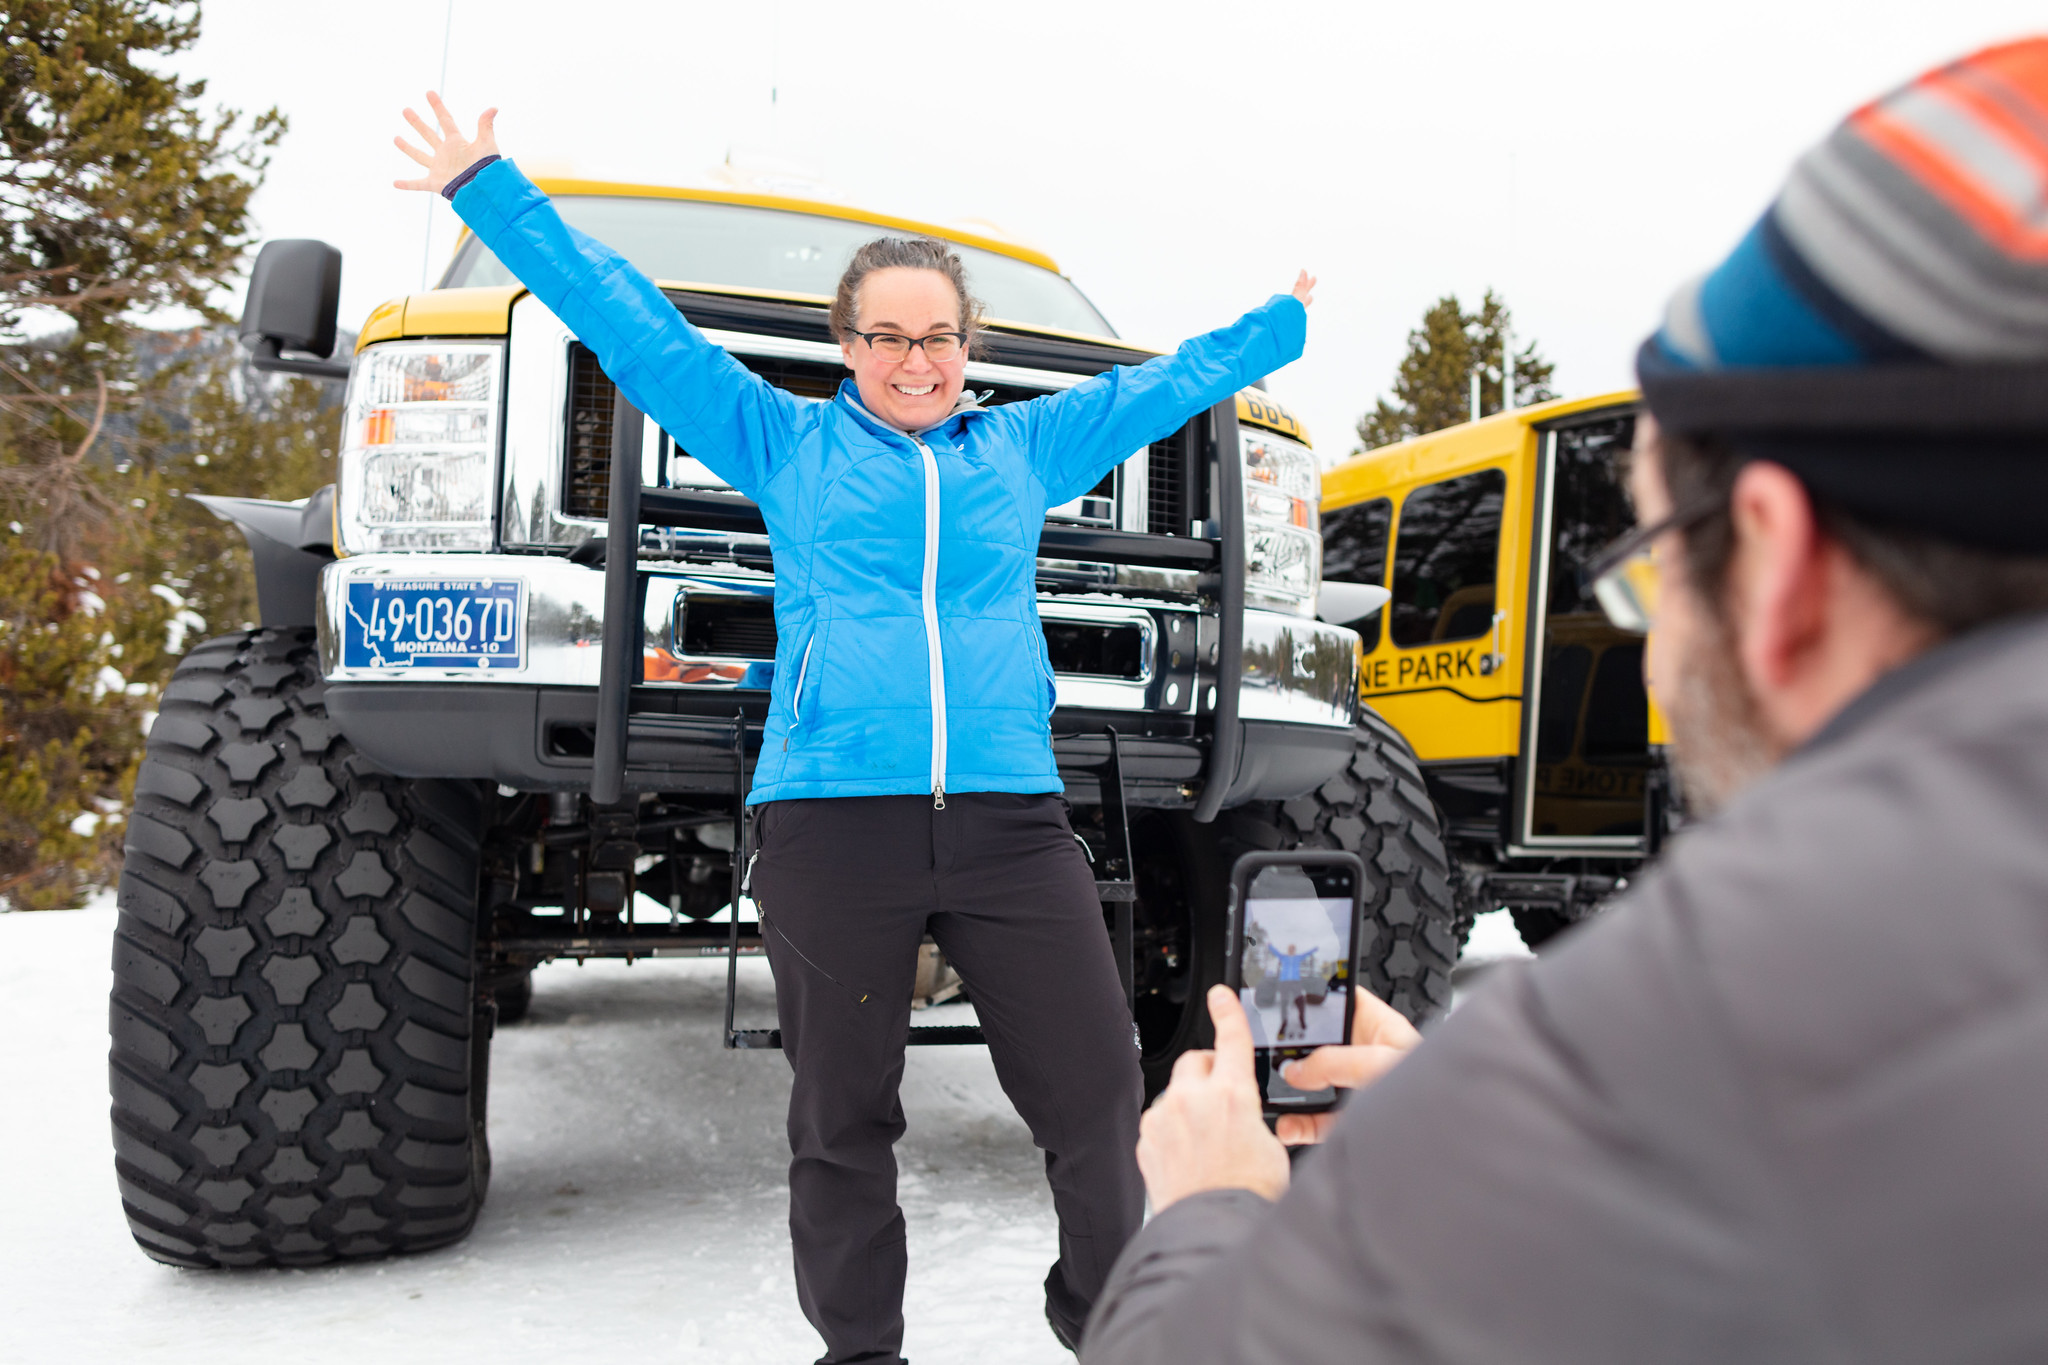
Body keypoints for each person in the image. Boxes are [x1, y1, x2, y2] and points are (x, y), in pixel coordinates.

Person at [1081, 36, 2048, 1364]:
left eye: (1656, 572)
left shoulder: (1711, 1024)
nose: (1645, 645)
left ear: (1780, 560)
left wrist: (1209, 1212)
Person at [391, 95, 1314, 1363]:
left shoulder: (1028, 449)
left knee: (1097, 1094)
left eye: (935, 335)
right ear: (846, 345)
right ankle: (861, 1352)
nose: (914, 359)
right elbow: (630, 323)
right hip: (833, 825)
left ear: (967, 342)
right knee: (840, 1120)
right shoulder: (784, 443)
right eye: (885, 336)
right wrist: (491, 190)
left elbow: (1171, 383)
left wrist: (1281, 324)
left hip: (1007, 823)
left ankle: (1108, 1325)